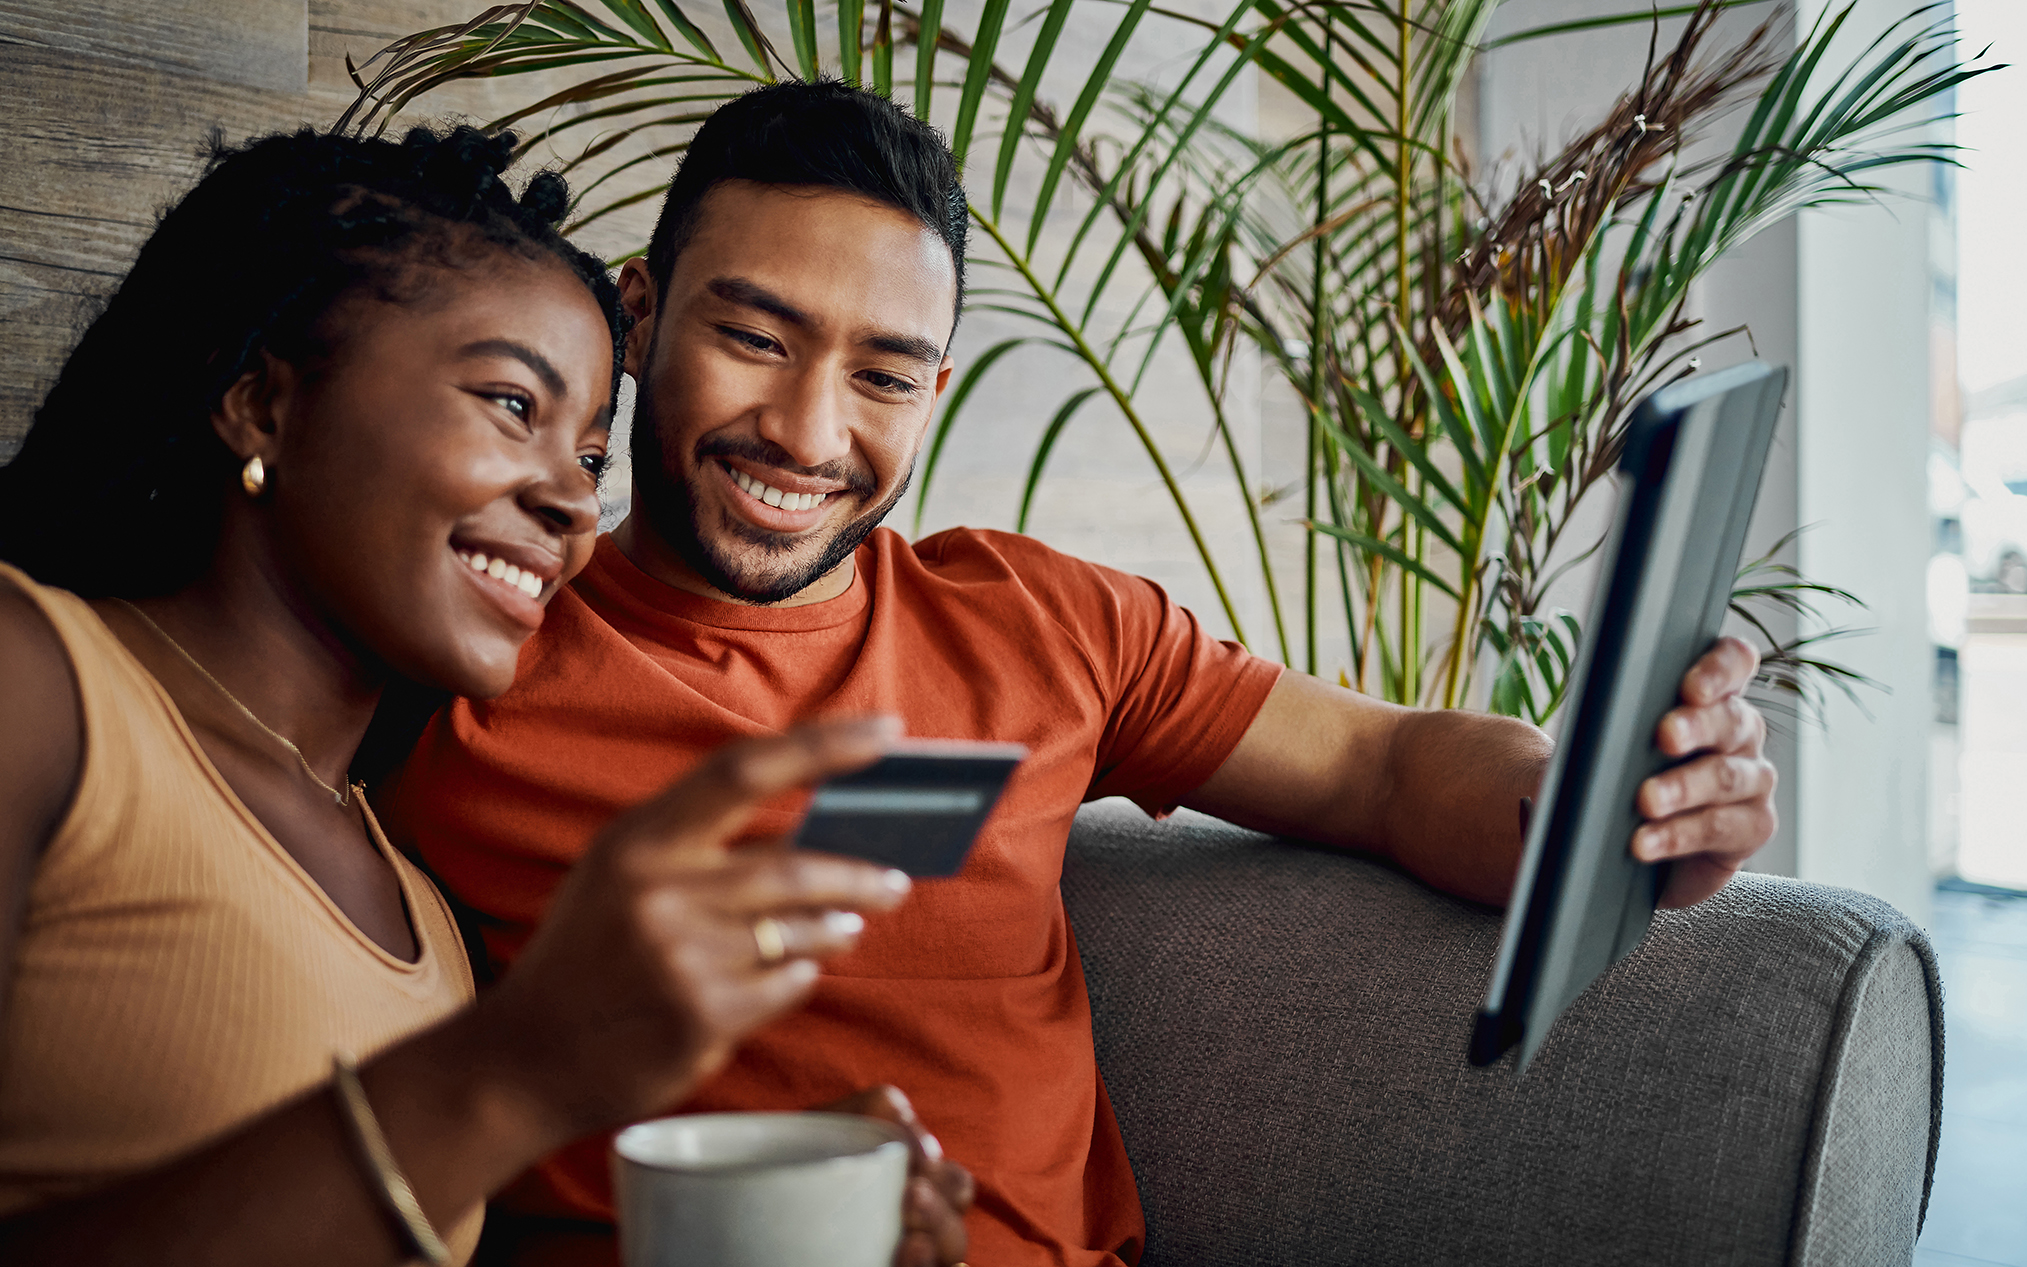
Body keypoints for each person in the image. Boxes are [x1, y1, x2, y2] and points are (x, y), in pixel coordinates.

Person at [385, 80, 1780, 1267]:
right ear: (638, 316)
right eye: (751, 337)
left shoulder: (1035, 623)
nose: (806, 432)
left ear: (934, 390)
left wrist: (1607, 804)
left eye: (883, 374)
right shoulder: (461, 656)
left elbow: (1380, 764)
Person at [0, 124, 970, 1265]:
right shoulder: (39, 685)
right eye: (513, 404)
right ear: (263, 402)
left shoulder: (413, 895)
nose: (569, 500)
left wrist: (765, 1222)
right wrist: (512, 1068)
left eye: (591, 452)